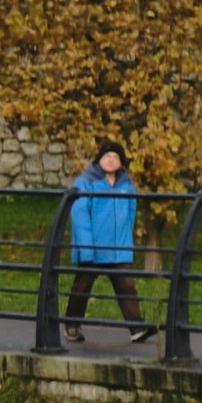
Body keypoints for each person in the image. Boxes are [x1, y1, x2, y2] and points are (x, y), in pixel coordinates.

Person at [62, 142, 145, 345]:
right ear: (99, 159)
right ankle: (72, 325)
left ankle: (136, 327)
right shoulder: (86, 182)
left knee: (126, 285)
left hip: (118, 248)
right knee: (82, 285)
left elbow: (131, 214)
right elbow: (80, 216)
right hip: (94, 248)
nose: (111, 160)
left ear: (121, 162)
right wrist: (87, 248)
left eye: (115, 157)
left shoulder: (126, 184)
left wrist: (127, 243)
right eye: (107, 156)